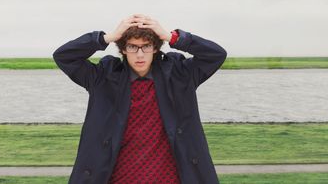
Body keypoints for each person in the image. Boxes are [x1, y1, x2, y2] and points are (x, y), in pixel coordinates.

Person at [53, 14, 227, 184]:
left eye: (146, 46)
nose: (140, 54)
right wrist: (107, 37)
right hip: (118, 177)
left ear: (156, 47)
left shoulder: (180, 75)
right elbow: (64, 56)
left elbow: (216, 55)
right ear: (123, 49)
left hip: (170, 178)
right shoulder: (102, 78)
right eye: (132, 47)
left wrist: (171, 37)